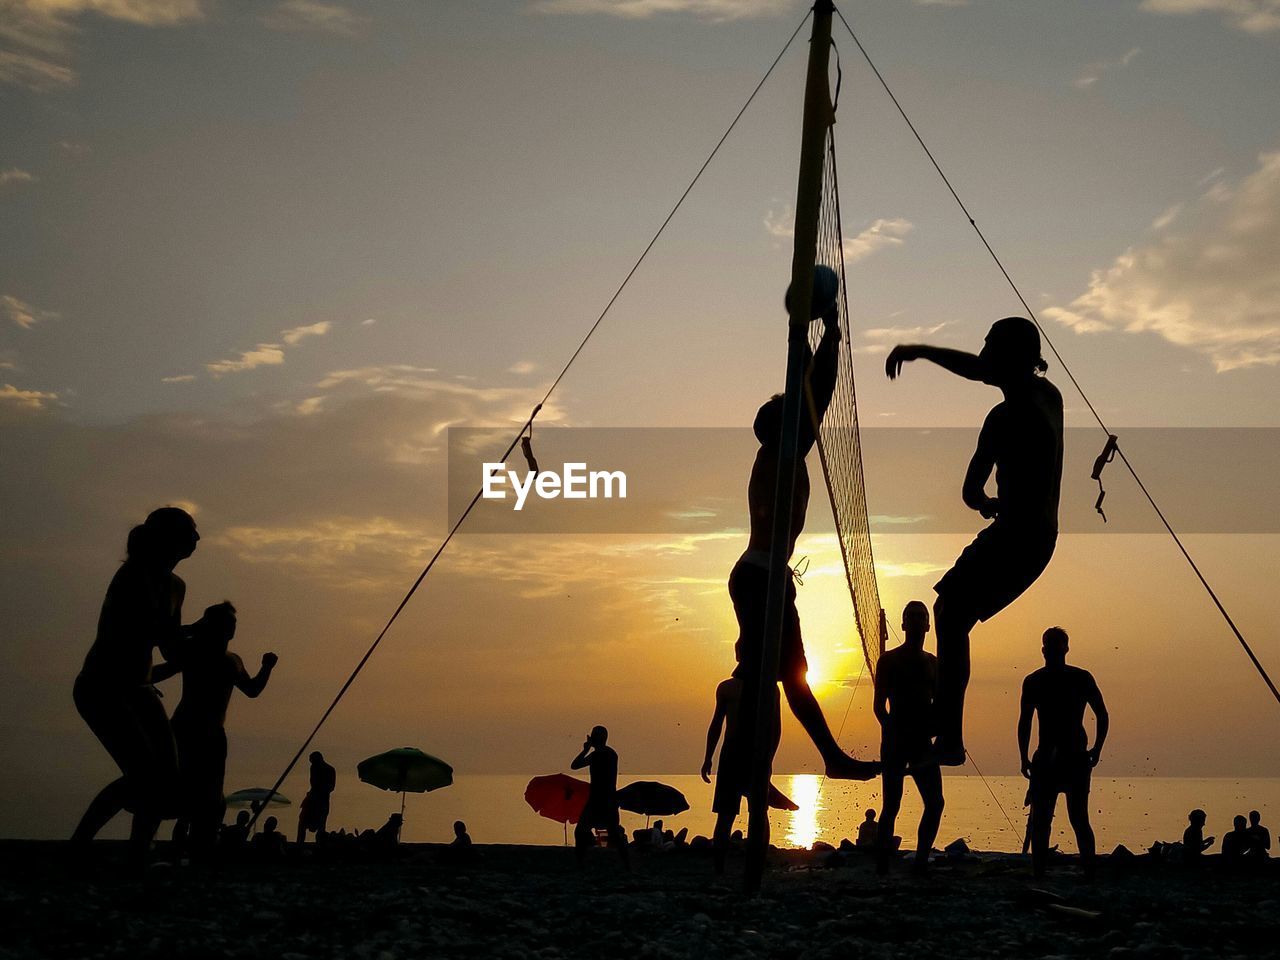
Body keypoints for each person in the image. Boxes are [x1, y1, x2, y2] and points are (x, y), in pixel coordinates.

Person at [887, 318, 1063, 766]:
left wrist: (920, 349)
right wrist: (987, 503)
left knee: (948, 613)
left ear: (1011, 358)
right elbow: (973, 492)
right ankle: (946, 729)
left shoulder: (1007, 415)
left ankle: (947, 735)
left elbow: (969, 491)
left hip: (1019, 536)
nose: (982, 354)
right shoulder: (1051, 396)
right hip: (1039, 538)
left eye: (990, 348)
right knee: (950, 613)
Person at [730, 279, 877, 783]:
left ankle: (780, 766)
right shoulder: (780, 453)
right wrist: (824, 334)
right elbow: (815, 391)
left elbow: (811, 391)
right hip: (759, 576)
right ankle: (783, 766)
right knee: (771, 678)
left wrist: (817, 337)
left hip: (765, 576)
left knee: (782, 678)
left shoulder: (782, 453)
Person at [71, 507, 200, 868]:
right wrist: (194, 635)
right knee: (143, 776)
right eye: (191, 531)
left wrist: (197, 639)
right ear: (168, 538)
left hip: (140, 689)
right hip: (103, 686)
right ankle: (79, 845)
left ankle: (139, 851)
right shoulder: (132, 576)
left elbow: (171, 647)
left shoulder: (177, 586)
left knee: (166, 779)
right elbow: (157, 632)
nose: (197, 539)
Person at [170, 602, 277, 858]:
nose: (232, 628)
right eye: (227, 623)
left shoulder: (233, 661)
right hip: (186, 729)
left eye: (233, 624)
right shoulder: (194, 650)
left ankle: (201, 848)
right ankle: (179, 847)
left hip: (215, 735)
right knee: (184, 795)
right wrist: (197, 627)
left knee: (213, 799)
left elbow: (252, 690)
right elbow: (168, 641)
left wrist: (266, 667)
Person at [1018, 626, 1108, 879]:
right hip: (1046, 756)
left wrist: (1097, 749)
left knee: (1078, 817)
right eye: (1050, 645)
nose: (1053, 650)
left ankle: (1087, 870)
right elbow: (1025, 721)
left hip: (1074, 755)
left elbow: (1102, 714)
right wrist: (1023, 756)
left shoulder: (1081, 678)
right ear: (1043, 649)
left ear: (1066, 649)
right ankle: (1039, 872)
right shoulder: (1034, 681)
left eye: (1058, 645)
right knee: (1042, 820)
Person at [874, 601, 946, 875]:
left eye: (921, 617)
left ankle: (920, 861)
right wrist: (891, 730)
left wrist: (940, 733)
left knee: (935, 802)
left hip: (922, 743)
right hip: (895, 740)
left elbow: (939, 704)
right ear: (903, 624)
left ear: (928, 625)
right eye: (910, 617)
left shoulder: (933, 663)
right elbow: (879, 706)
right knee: (891, 804)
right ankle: (882, 864)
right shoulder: (889, 660)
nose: (916, 622)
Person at [700, 674, 782, 873]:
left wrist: (768, 760)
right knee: (743, 813)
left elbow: (776, 728)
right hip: (740, 753)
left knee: (752, 812)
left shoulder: (766, 687)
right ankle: (726, 867)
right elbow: (716, 725)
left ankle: (743, 867)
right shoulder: (730, 687)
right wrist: (708, 757)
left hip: (746, 753)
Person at [570, 726, 629, 869]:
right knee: (611, 832)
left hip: (600, 800)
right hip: (605, 799)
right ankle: (626, 863)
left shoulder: (600, 755)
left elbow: (575, 765)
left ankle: (581, 861)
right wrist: (588, 749)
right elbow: (575, 766)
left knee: (583, 831)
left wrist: (586, 749)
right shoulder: (609, 754)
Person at [297, 752, 337, 844]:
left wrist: (321, 789)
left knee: (320, 825)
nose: (312, 764)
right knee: (302, 822)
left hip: (321, 801)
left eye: (313, 761)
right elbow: (313, 783)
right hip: (312, 799)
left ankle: (319, 844)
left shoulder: (329, 769)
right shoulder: (314, 768)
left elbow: (331, 787)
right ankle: (300, 843)